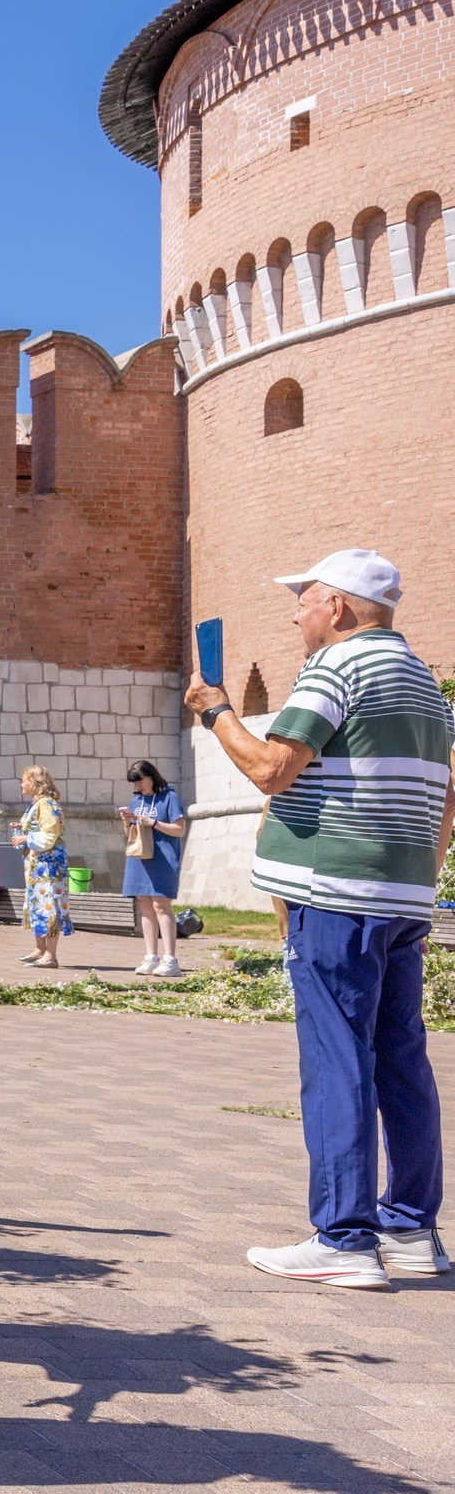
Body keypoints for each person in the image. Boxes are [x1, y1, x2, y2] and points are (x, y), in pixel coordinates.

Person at [185, 547, 453, 1289]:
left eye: (303, 601)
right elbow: (447, 796)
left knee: (337, 1059)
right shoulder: (425, 683)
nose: (297, 614)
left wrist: (216, 713)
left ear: (336, 607)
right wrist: (415, 886)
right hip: (400, 899)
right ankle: (410, 1230)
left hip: (336, 896)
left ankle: (342, 1238)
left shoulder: (337, 668)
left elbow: (274, 768)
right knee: (401, 1060)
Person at [119, 759, 190, 977]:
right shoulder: (136, 801)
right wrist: (126, 821)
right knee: (144, 904)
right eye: (135, 783)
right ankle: (151, 956)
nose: (138, 786)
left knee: (161, 905)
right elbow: (129, 835)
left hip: (163, 858)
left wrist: (154, 823)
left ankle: (170, 959)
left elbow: (179, 829)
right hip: (139, 857)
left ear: (152, 777)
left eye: (141, 781)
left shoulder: (170, 797)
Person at [11, 765, 72, 969]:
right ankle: (40, 949)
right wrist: (23, 830)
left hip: (48, 864)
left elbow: (49, 835)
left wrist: (26, 837)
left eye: (24, 780)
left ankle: (50, 955)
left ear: (35, 783)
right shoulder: (37, 804)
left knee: (49, 904)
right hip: (38, 864)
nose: (21, 784)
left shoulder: (46, 804)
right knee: (37, 902)